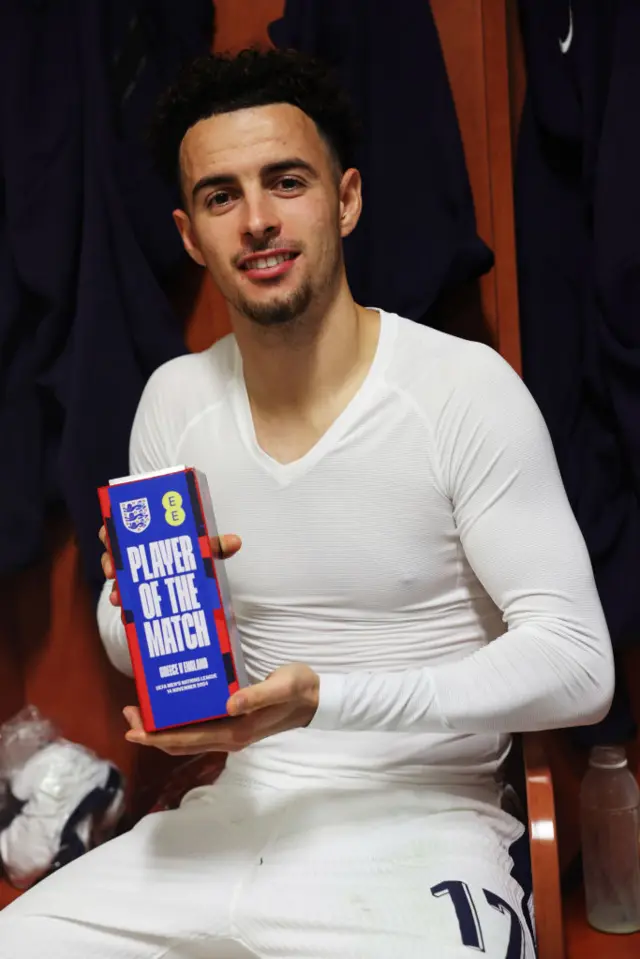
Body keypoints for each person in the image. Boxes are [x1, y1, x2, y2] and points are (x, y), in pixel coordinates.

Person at [0, 48, 614, 959]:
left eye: (285, 181)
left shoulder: (461, 390)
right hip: (230, 814)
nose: (256, 220)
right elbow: (141, 658)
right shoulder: (173, 398)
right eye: (220, 196)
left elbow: (578, 667)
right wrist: (134, 606)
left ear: (346, 199)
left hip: (423, 826)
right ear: (188, 232)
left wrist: (325, 700)